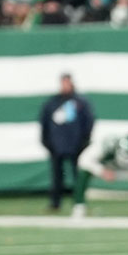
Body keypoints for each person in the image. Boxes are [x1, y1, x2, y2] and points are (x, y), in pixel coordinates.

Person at [40, 73, 95, 213]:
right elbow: (44, 122)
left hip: (76, 145)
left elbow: (88, 122)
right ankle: (55, 202)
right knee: (57, 176)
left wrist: (84, 141)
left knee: (78, 175)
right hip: (57, 145)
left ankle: (78, 202)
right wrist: (47, 141)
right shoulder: (53, 102)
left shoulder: (80, 102)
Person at [71, 133, 128, 219]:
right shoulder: (106, 147)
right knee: (83, 172)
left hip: (125, 171)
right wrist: (101, 171)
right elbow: (83, 160)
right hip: (106, 168)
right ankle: (79, 207)